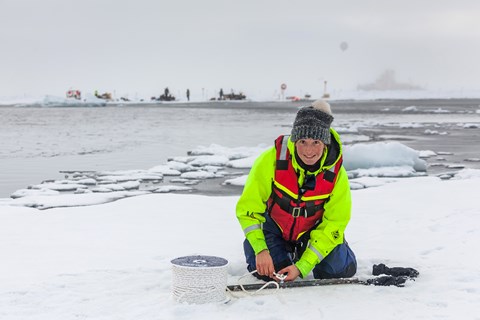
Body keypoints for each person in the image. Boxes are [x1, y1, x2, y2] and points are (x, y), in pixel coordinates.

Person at [236, 99, 357, 282]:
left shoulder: (336, 174)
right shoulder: (271, 160)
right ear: (295, 140)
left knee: (338, 271)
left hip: (312, 232)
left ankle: (313, 252)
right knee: (267, 271)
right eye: (303, 141)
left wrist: (303, 266)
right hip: (275, 228)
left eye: (316, 142)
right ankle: (280, 252)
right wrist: (261, 249)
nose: (309, 150)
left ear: (324, 143)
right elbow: (248, 211)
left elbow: (335, 221)